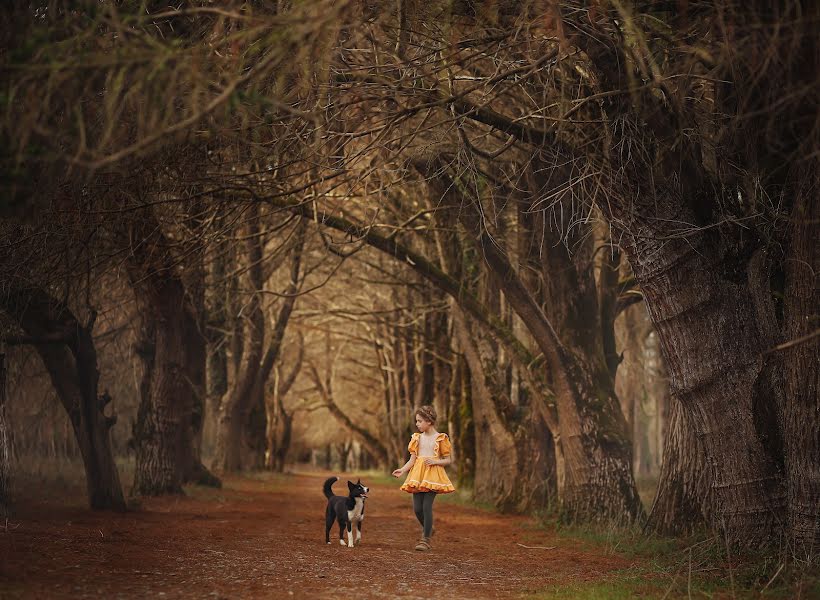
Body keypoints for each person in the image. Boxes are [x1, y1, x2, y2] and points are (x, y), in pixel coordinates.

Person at [391, 405, 455, 551]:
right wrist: (402, 470)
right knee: (417, 509)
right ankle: (429, 528)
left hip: (432, 476)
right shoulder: (416, 438)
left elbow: (448, 460)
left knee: (426, 507)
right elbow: (412, 460)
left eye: (420, 421)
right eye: (417, 421)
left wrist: (435, 461)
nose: (417, 424)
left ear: (429, 421)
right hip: (417, 475)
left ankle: (425, 540)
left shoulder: (440, 438)